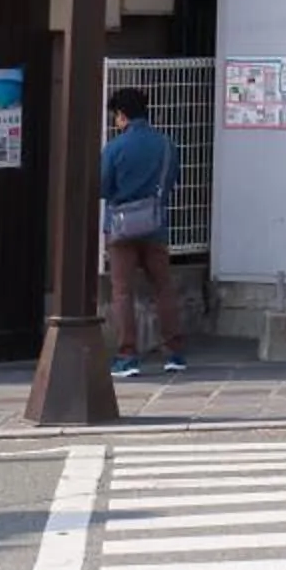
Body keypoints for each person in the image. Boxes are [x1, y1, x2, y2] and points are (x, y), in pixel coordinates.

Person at [101, 86, 184, 378]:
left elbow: (103, 187)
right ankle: (174, 352)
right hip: (156, 223)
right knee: (163, 287)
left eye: (116, 116)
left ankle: (127, 355)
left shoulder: (114, 148)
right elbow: (174, 179)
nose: (115, 122)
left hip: (122, 227)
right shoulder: (166, 145)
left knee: (123, 291)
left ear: (122, 115)